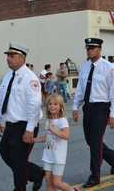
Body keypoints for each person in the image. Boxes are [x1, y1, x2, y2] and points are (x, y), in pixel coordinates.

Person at [0, 43, 44, 191]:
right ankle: (36, 174)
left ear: (22, 57)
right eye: (7, 56)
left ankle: (20, 188)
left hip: (26, 124)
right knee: (4, 151)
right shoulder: (8, 75)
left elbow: (34, 105)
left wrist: (29, 129)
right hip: (11, 124)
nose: (8, 59)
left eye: (12, 55)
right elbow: (0, 98)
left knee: (18, 159)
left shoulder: (30, 78)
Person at [73, 38, 114, 188]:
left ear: (99, 49)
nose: (89, 50)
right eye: (87, 48)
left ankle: (94, 176)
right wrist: (75, 107)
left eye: (92, 48)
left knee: (95, 142)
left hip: (102, 108)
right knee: (90, 141)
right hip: (88, 108)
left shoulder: (109, 67)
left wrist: (112, 114)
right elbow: (80, 89)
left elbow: (113, 92)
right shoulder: (84, 67)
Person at [34, 94, 80, 191]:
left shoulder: (62, 121)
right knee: (48, 182)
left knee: (57, 183)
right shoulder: (49, 120)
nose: (52, 106)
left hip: (58, 157)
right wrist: (35, 140)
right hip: (48, 155)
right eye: (50, 104)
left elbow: (66, 136)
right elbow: (48, 137)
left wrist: (54, 130)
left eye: (55, 104)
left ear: (60, 107)